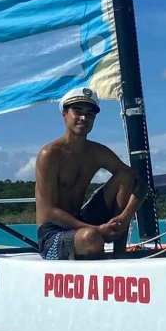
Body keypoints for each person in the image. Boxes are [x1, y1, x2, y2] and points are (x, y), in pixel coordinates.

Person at [35, 86, 141, 260]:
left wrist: (124, 217)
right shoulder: (50, 155)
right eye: (77, 111)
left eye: (89, 114)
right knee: (91, 238)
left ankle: (119, 256)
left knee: (125, 177)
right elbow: (48, 211)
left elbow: (139, 182)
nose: (83, 118)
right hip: (52, 234)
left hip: (80, 220)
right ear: (64, 115)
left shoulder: (97, 152)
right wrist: (97, 230)